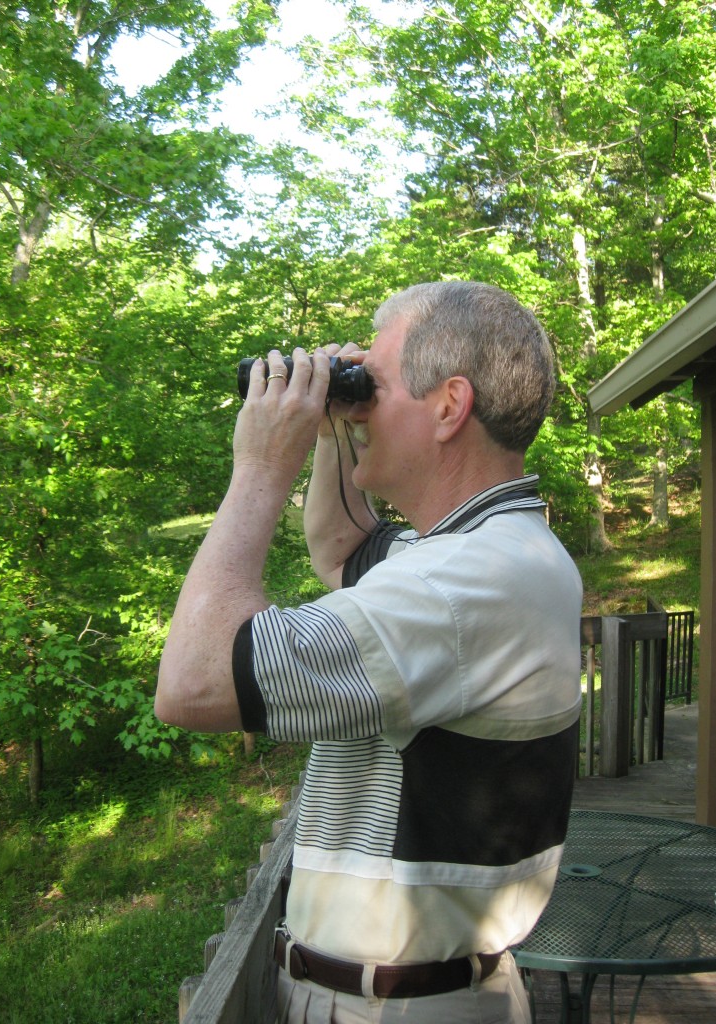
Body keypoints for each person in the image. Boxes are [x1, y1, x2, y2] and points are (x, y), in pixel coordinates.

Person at [155, 280, 583, 1024]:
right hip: (411, 993)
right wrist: (331, 434)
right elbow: (341, 545)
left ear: (449, 406)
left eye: (371, 386)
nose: (357, 402)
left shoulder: (466, 583)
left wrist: (259, 468)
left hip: (393, 1007)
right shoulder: (490, 550)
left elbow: (193, 683)